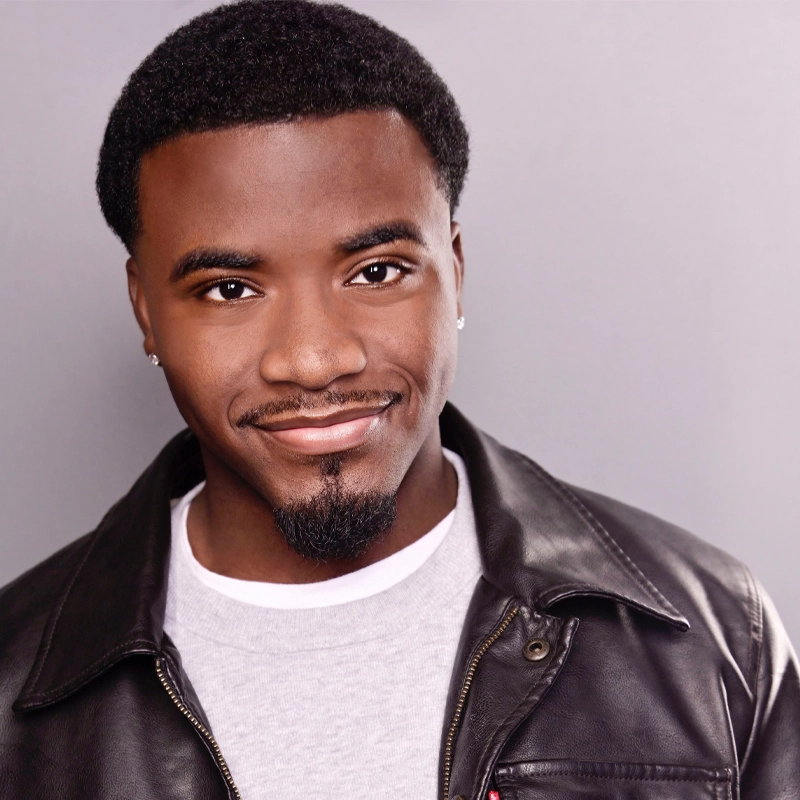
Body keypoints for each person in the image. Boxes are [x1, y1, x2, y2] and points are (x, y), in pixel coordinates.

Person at [0, 1, 798, 797]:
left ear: (455, 269)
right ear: (145, 310)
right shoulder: (13, 688)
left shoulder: (715, 639)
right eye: (230, 288)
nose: (314, 361)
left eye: (376, 272)